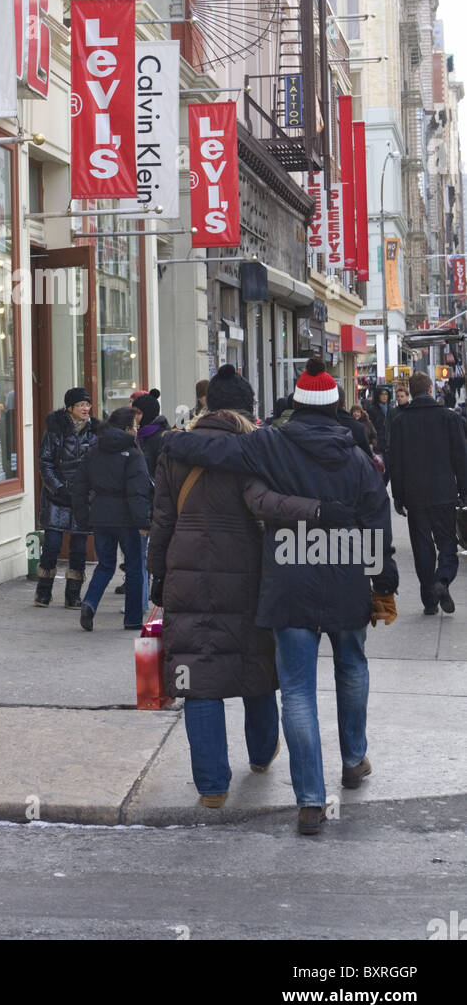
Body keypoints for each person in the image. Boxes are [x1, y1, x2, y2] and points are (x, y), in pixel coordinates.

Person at [158, 356, 398, 836]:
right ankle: (353, 758)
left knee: (298, 690)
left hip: (290, 580)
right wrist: (383, 581)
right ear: (335, 403)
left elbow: (216, 455)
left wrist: (170, 438)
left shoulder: (271, 445)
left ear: (296, 403)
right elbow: (377, 520)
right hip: (347, 576)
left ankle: (310, 800)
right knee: (352, 667)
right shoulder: (357, 458)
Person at [147, 365, 324, 810]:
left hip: (186, 574)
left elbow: (162, 521)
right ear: (247, 409)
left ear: (208, 405)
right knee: (255, 664)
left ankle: (212, 787)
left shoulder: (174, 450)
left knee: (197, 675)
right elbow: (265, 506)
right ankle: (262, 754)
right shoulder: (254, 450)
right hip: (248, 572)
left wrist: (158, 577)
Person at [389, 370, 467, 615]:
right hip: (444, 491)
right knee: (446, 541)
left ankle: (429, 601)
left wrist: (398, 496)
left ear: (411, 392)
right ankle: (442, 580)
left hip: (415, 494)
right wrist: (464, 490)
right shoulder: (448, 418)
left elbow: (396, 462)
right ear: (431, 389)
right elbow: (461, 458)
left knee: (422, 545)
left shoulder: (400, 422)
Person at [72, 407, 152, 631]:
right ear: (127, 428)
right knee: (135, 567)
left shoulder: (94, 450)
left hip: (101, 515)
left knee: (105, 565)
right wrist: (143, 522)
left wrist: (82, 515)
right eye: (135, 426)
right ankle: (133, 619)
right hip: (127, 519)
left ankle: (89, 603)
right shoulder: (133, 452)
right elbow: (138, 491)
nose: (137, 431)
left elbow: (79, 485)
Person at [35, 388, 100, 608]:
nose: (85, 409)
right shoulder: (55, 430)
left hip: (83, 499)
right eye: (81, 405)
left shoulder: (96, 432)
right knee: (52, 545)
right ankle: (43, 592)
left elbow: (100, 465)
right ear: (70, 408)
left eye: (87, 404)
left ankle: (73, 595)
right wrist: (58, 488)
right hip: (57, 497)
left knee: (79, 548)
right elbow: (45, 463)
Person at [131, 388, 171, 477]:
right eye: (133, 412)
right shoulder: (136, 433)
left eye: (138, 413)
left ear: (148, 414)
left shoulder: (161, 438)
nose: (134, 416)